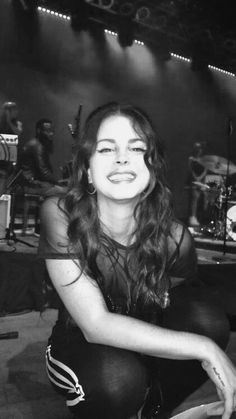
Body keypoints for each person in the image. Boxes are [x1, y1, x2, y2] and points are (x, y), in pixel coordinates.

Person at [39, 102, 236, 419]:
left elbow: (174, 300)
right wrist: (205, 348)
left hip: (141, 337)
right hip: (77, 342)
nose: (121, 157)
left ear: (152, 168)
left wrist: (205, 337)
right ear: (87, 170)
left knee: (207, 319)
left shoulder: (174, 237)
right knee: (117, 380)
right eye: (105, 149)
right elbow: (95, 325)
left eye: (135, 147)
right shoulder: (61, 214)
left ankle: (156, 409)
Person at [20, 118, 58, 196]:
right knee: (64, 192)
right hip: (31, 185)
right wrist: (58, 182)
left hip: (34, 183)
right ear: (39, 131)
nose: (51, 134)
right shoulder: (37, 146)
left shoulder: (37, 144)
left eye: (52, 131)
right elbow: (44, 172)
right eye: (47, 131)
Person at [187, 142, 208, 227]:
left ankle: (201, 217)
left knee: (203, 199)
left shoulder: (204, 159)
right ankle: (192, 217)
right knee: (194, 199)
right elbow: (190, 169)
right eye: (197, 149)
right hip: (194, 180)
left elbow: (206, 169)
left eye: (200, 149)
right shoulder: (191, 159)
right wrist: (196, 178)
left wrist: (201, 178)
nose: (198, 151)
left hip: (202, 181)